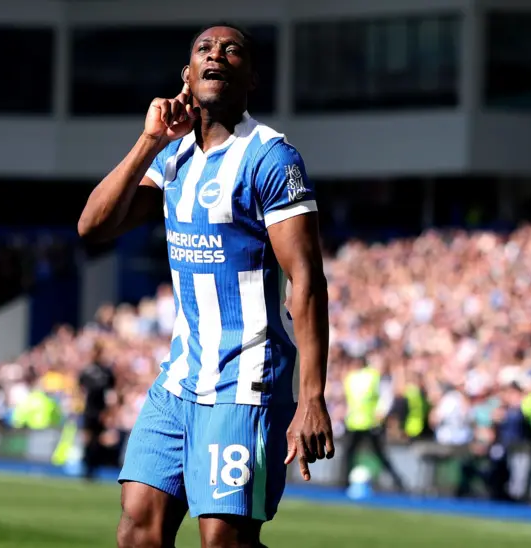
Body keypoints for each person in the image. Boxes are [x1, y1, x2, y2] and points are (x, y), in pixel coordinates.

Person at [78, 22, 334, 548]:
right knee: (137, 529)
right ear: (187, 77)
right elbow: (93, 227)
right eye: (204, 49)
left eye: (232, 49)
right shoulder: (171, 157)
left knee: (223, 541)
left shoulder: (271, 158)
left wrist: (312, 397)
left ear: (251, 78)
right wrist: (149, 139)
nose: (217, 54)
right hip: (179, 380)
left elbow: (306, 280)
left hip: (246, 382)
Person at [339, 359, 405, 491]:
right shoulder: (354, 378)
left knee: (365, 454)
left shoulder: (368, 376)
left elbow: (384, 396)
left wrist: (380, 412)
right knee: (351, 454)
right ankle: (344, 482)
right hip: (357, 422)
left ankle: (397, 482)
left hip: (367, 422)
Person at [78, 344, 116, 480]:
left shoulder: (107, 372)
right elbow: (80, 389)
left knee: (99, 439)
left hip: (101, 411)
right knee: (88, 439)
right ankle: (86, 467)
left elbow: (111, 393)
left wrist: (109, 412)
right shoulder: (87, 371)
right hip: (89, 410)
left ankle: (94, 467)